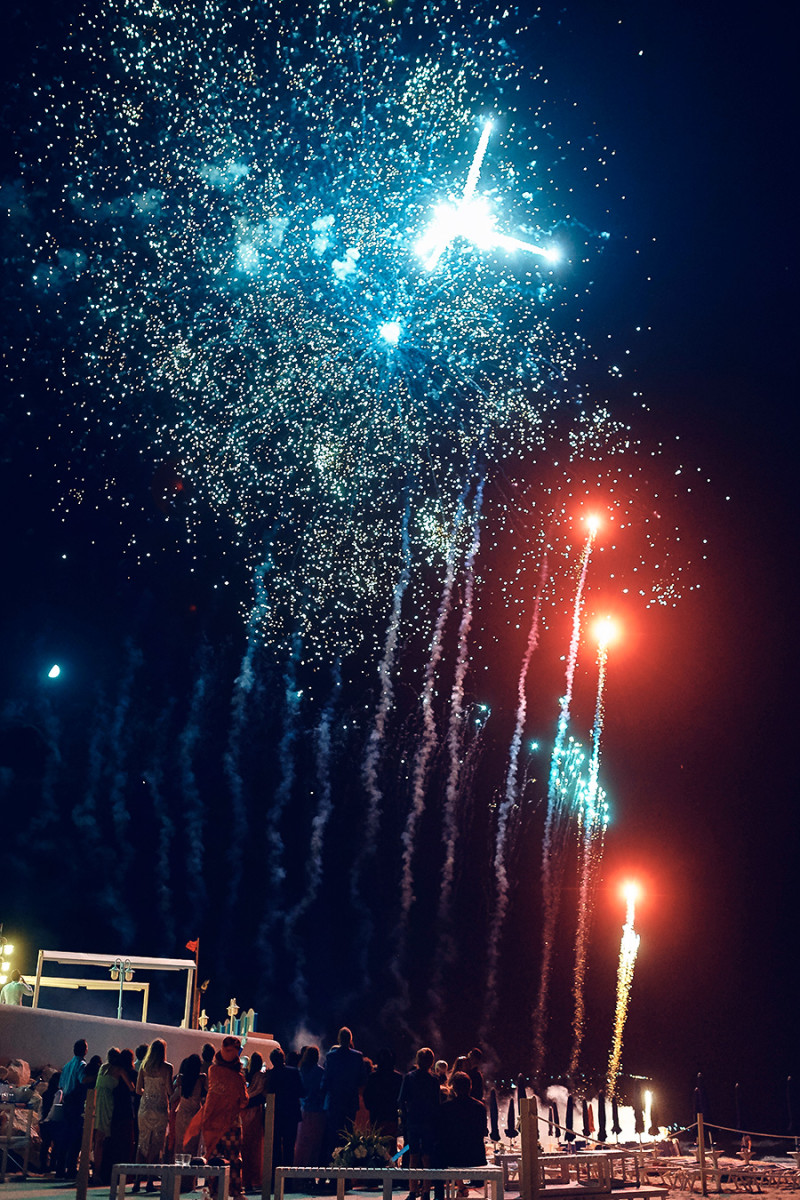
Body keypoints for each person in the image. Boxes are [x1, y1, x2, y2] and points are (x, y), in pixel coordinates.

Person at [196, 1035, 248, 1197]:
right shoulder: (238, 1077)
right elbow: (244, 1101)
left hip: (211, 1122)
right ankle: (235, 1191)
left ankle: (214, 1191)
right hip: (231, 1123)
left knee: (214, 1158)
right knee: (233, 1158)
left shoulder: (213, 1070)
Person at [399, 1048, 441, 1200]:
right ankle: (425, 1192)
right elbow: (437, 1104)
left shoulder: (409, 1077)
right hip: (429, 1122)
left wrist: (405, 1118)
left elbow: (401, 1100)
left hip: (413, 1121)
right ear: (431, 1062)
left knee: (413, 1156)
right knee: (427, 1157)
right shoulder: (434, 1080)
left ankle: (412, 1191)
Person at [437, 1072, 487, 1197]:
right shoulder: (480, 1107)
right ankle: (461, 1188)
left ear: (453, 1088)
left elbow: (442, 1133)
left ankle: (439, 1195)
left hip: (452, 1157)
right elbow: (483, 1131)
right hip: (476, 1156)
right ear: (470, 1087)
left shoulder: (446, 1107)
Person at [135, 1039, 173, 1191]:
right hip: (160, 1109)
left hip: (144, 1108)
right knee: (156, 1145)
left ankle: (137, 1181)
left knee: (142, 1143)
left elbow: (138, 1090)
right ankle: (150, 1181)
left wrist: (148, 1095)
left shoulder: (144, 1067)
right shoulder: (167, 1067)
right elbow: (170, 1091)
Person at [322, 1027, 364, 1161]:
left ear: (339, 1039)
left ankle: (332, 1171)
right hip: (350, 1102)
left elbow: (326, 1079)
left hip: (334, 1102)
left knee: (332, 1137)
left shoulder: (331, 1056)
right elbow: (362, 1079)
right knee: (347, 1138)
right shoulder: (358, 1056)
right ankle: (345, 1174)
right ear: (350, 1040)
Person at [265, 1046, 304, 1184]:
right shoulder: (294, 1072)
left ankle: (273, 1179)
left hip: (275, 1115)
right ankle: (287, 1180)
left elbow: (267, 1094)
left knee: (275, 1148)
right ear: (283, 1058)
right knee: (289, 1147)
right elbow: (301, 1092)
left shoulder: (270, 1074)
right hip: (292, 1114)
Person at [53, 1037, 88, 1179]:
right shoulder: (82, 1065)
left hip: (65, 1103)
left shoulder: (67, 1066)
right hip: (76, 1105)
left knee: (64, 1138)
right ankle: (71, 1169)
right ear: (85, 1050)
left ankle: (60, 1168)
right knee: (76, 1138)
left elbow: (61, 1085)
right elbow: (83, 1080)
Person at [363, 1048, 403, 1150]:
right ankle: (392, 1163)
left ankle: (377, 1164)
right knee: (391, 1143)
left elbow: (367, 1096)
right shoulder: (398, 1077)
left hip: (376, 1116)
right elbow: (401, 1097)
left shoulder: (373, 1077)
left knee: (376, 1145)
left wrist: (370, 1108)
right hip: (391, 1115)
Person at [294, 1045, 326, 1168]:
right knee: (315, 1145)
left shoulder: (301, 1070)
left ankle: (299, 1171)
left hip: (303, 1111)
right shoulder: (320, 1072)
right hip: (318, 1112)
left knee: (302, 1143)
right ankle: (311, 1172)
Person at [241, 1051, 267, 1192]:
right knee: (256, 1147)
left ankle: (244, 1178)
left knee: (245, 1146)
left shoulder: (246, 1075)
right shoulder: (261, 1076)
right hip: (255, 1112)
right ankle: (255, 1178)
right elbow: (261, 1093)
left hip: (244, 1112)